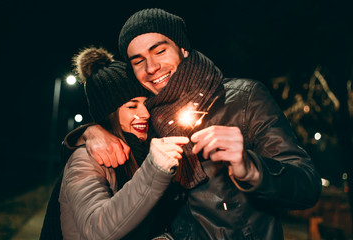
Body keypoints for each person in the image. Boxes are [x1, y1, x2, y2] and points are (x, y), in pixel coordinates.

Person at [65, 9, 322, 239]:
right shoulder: (148, 119)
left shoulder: (244, 99)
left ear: (183, 49)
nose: (152, 67)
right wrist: (92, 131)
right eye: (138, 61)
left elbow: (307, 186)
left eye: (160, 50)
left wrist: (251, 167)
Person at [57, 47, 189, 240]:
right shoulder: (87, 158)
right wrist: (155, 170)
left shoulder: (145, 149)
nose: (145, 113)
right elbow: (96, 229)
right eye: (132, 106)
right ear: (109, 114)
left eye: (146, 103)